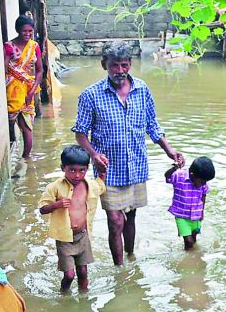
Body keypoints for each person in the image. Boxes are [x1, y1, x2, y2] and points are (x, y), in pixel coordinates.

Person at [72, 41, 184, 265]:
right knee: (115, 221)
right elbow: (80, 133)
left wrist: (169, 150)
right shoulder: (90, 95)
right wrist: (94, 154)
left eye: (124, 65)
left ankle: (131, 256)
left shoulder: (142, 89)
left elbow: (152, 125)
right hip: (108, 170)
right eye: (114, 65)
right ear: (104, 65)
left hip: (136, 167)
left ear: (130, 65)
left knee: (131, 217)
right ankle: (119, 268)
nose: (120, 71)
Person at [39, 145, 106, 291]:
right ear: (63, 168)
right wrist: (56, 204)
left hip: (82, 236)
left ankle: (84, 298)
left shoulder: (90, 186)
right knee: (69, 275)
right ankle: (64, 294)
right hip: (65, 239)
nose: (77, 175)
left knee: (83, 272)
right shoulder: (54, 187)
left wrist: (102, 171)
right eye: (72, 170)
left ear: (86, 169)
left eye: (82, 170)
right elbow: (42, 209)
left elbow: (101, 186)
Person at [4, 15, 42, 158]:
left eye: (30, 31)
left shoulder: (35, 46)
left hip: (28, 89)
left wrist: (32, 92)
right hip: (12, 89)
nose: (27, 34)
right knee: (11, 120)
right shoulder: (9, 47)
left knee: (27, 127)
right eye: (24, 31)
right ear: (18, 30)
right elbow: (5, 68)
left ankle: (26, 158)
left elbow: (39, 71)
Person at [165, 156, 215, 250]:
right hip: (181, 216)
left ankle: (192, 255)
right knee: (188, 241)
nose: (204, 183)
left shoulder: (203, 184)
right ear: (192, 174)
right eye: (202, 181)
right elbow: (167, 176)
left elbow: (204, 195)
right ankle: (190, 260)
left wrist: (202, 212)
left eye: (206, 181)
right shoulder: (179, 176)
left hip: (196, 215)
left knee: (193, 239)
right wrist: (174, 168)